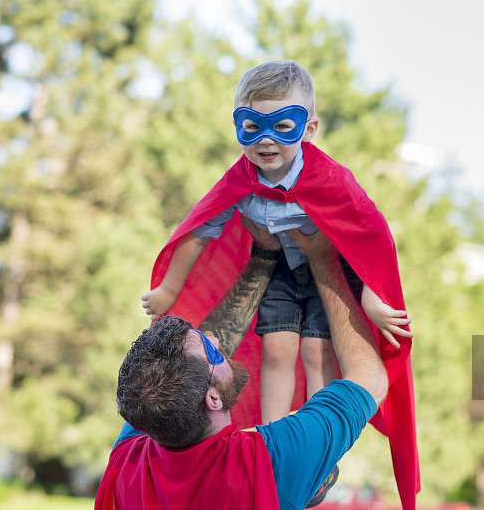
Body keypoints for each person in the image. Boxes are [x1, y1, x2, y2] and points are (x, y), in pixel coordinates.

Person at [141, 59, 411, 425]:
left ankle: (319, 433)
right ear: (238, 126)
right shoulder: (240, 179)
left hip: (327, 276)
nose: (266, 140)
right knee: (277, 348)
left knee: (318, 350)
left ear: (309, 128)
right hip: (279, 271)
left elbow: (370, 232)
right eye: (252, 127)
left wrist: (373, 298)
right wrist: (169, 290)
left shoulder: (330, 178)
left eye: (282, 127)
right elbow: (198, 229)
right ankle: (271, 433)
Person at [96, 228, 388, 510]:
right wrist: (324, 260)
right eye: (211, 350)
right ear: (212, 399)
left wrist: (263, 259)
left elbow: (181, 376)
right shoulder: (269, 463)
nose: (214, 338)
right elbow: (370, 382)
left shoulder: (128, 464)